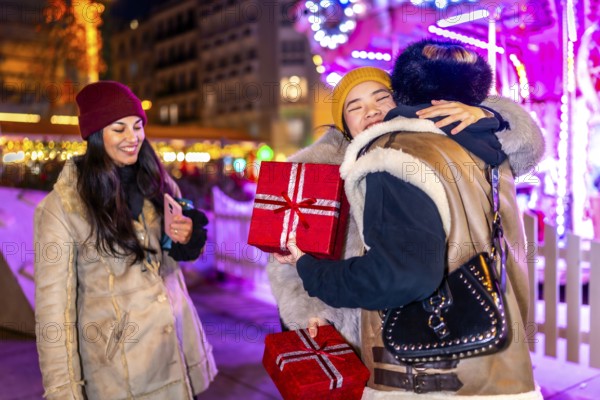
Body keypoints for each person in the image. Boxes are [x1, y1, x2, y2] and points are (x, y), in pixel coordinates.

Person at [271, 39, 543, 398]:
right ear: (343, 125)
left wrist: (489, 113)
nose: (370, 111)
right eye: (355, 106)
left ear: (401, 97)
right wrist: (309, 310)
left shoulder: (403, 151)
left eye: (381, 98)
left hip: (413, 355)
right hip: (369, 338)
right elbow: (288, 259)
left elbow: (400, 273)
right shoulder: (320, 175)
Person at [34, 81, 217, 400]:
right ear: (95, 136)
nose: (133, 138)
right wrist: (64, 392)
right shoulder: (62, 207)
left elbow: (180, 255)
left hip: (175, 355)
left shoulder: (157, 181)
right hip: (120, 376)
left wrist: (188, 236)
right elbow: (54, 314)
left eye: (137, 126)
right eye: (119, 129)